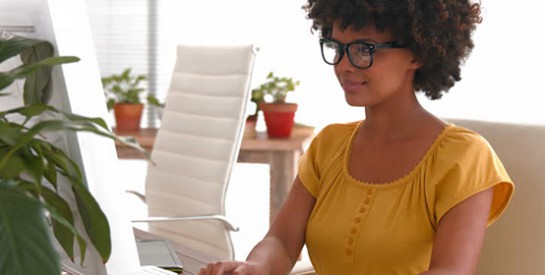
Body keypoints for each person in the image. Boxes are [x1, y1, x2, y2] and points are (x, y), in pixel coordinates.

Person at [199, 0, 514, 274]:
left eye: (364, 49)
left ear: (417, 54)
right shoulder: (329, 145)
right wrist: (255, 268)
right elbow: (281, 241)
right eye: (338, 47)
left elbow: (451, 271)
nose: (344, 65)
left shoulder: (464, 157)